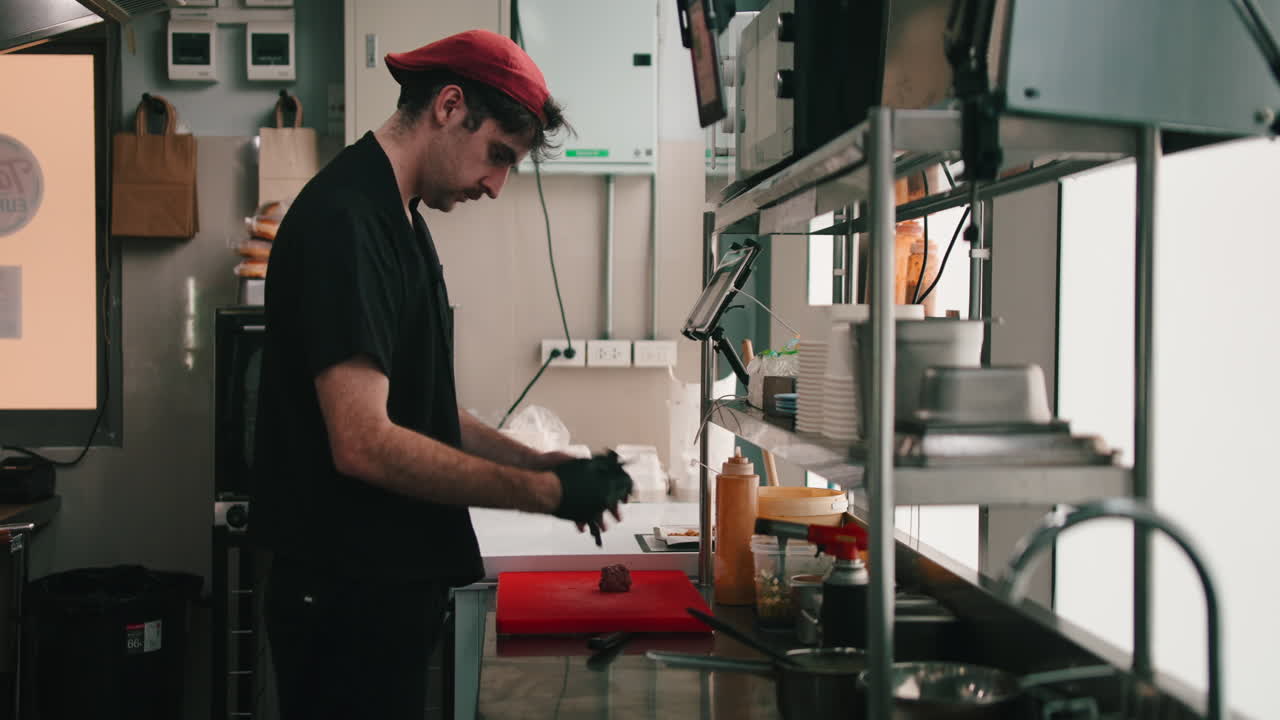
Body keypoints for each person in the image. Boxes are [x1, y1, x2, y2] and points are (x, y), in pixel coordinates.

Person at [249, 30, 632, 720]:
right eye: (497, 157)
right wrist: (543, 492)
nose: (494, 185)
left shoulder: (399, 219)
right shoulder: (348, 222)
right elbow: (363, 440)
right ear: (450, 106)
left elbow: (425, 410)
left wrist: (542, 460)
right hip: (343, 603)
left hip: (380, 593)